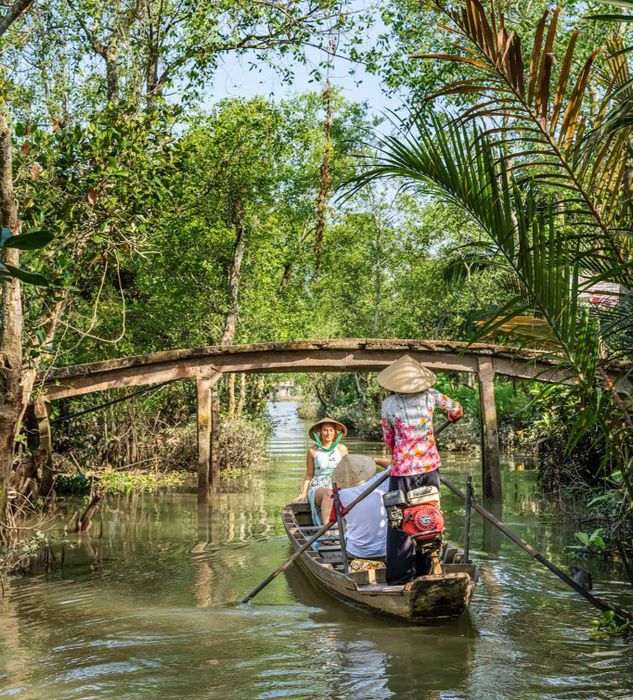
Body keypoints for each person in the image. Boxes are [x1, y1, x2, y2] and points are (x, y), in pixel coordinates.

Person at [377, 355, 463, 585]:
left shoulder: (389, 405)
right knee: (427, 517)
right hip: (429, 468)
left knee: (399, 522)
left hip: (402, 471)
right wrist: (447, 420)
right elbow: (457, 410)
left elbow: (389, 440)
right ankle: (425, 572)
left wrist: (401, 450)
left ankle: (399, 578)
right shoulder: (431, 396)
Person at [332, 454, 388, 561]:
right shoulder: (381, 480)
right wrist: (374, 459)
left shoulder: (340, 494)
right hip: (387, 550)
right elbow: (394, 465)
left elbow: (344, 522)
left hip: (356, 552)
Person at [296, 417, 348, 526]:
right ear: (320, 432)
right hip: (318, 487)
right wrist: (302, 494)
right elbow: (309, 475)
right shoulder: (312, 451)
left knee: (345, 494)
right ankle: (327, 531)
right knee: (329, 494)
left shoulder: (342, 449)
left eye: (331, 430)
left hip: (338, 485)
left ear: (335, 432)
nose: (328, 433)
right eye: (325, 430)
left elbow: (347, 472)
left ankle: (348, 531)